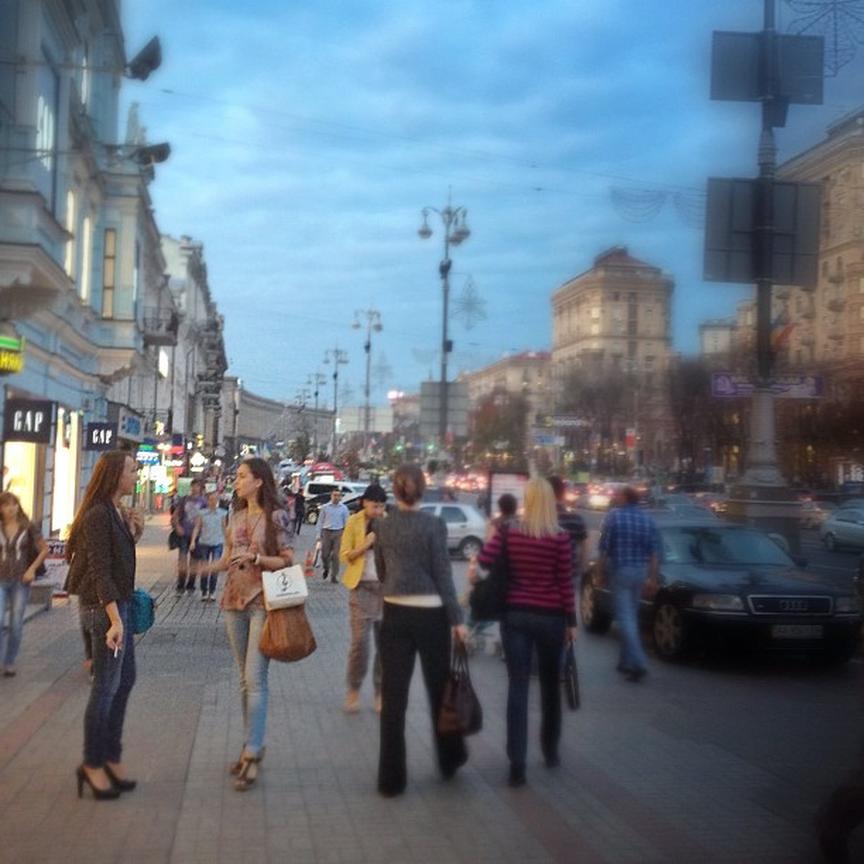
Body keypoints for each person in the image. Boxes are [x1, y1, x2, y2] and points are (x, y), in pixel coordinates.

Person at [200, 457, 294, 791]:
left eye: (241, 476)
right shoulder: (235, 516)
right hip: (232, 602)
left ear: (258, 481)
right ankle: (250, 744)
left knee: (255, 679)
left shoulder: (277, 516)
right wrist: (200, 569)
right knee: (244, 680)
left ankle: (252, 752)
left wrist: (257, 558)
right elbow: (228, 559)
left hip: (263, 603)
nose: (236, 481)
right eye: (236, 476)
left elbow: (288, 559)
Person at [374, 464, 468, 797]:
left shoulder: (383, 525)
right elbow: (443, 574)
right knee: (439, 689)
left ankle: (390, 780)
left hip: (394, 612)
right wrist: (457, 620)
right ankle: (449, 758)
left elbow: (381, 569)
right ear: (423, 490)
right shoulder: (434, 524)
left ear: (394, 490)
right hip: (432, 615)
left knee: (393, 697)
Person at [475, 477, 575, 788]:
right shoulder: (560, 537)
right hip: (552, 618)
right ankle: (550, 749)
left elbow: (484, 559)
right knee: (550, 686)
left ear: (527, 501)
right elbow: (566, 582)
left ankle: (517, 763)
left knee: (517, 687)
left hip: (516, 616)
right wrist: (571, 623)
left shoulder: (510, 532)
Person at [65, 450, 141, 800]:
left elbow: (116, 558)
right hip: (103, 611)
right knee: (106, 687)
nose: (136, 475)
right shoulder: (97, 514)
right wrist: (115, 620)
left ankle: (110, 755)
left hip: (118, 606)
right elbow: (99, 569)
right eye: (131, 470)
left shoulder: (113, 510)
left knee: (125, 679)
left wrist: (132, 532)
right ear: (114, 475)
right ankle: (92, 763)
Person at [597, 485, 659, 683]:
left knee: (625, 618)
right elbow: (654, 553)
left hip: (621, 571)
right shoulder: (647, 519)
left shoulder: (614, 517)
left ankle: (639, 663)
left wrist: (600, 572)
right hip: (640, 572)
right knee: (631, 615)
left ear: (625, 498)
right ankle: (625, 661)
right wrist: (652, 578)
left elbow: (604, 549)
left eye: (618, 495)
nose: (615, 497)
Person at [339, 484, 387, 714]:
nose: (378, 510)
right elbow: (344, 556)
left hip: (386, 591)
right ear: (364, 503)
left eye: (381, 506)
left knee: (385, 646)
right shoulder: (353, 522)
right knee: (360, 644)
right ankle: (354, 689)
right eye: (374, 505)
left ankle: (380, 692)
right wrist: (365, 544)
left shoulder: (389, 523)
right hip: (361, 590)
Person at [0, 491, 48, 677]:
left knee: (16, 623)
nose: (11, 508)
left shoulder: (28, 526)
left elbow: (44, 549)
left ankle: (9, 661)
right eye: (6, 505)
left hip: (21, 580)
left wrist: (32, 569)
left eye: (14, 504)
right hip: (1, 579)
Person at [547, 476, 587, 580]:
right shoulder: (576, 519)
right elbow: (583, 549)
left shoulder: (536, 520)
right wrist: (581, 569)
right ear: (563, 494)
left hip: (541, 576)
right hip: (569, 575)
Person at [190, 491, 227, 601]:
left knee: (215, 568)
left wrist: (228, 543)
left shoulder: (223, 513)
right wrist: (193, 541)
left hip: (218, 543)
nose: (213, 501)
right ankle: (204, 591)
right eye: (211, 499)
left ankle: (212, 591)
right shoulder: (202, 513)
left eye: (215, 499)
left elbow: (225, 528)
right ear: (207, 501)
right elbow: (197, 527)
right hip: (204, 543)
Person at [172, 479, 206, 593]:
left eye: (197, 486)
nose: (195, 488)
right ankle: (181, 583)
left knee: (194, 560)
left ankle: (191, 583)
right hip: (184, 533)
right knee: (182, 559)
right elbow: (176, 514)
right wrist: (177, 526)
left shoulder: (204, 502)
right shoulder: (184, 500)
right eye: (193, 486)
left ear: (201, 488)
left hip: (198, 535)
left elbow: (207, 517)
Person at [316, 488, 349, 583]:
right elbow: (320, 521)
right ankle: (326, 568)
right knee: (324, 554)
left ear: (341, 497)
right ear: (331, 496)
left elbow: (346, 523)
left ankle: (334, 575)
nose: (336, 497)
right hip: (326, 532)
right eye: (334, 495)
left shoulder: (343, 508)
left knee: (336, 556)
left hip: (338, 532)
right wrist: (318, 535)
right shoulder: (325, 507)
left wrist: (346, 536)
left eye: (338, 495)